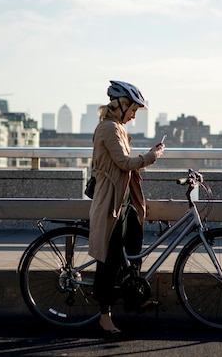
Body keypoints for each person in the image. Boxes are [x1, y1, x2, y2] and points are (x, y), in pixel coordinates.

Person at [88, 80, 165, 335]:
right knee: (109, 261)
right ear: (120, 105)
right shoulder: (109, 128)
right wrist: (151, 157)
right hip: (111, 203)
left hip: (124, 202)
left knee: (133, 250)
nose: (134, 115)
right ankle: (104, 316)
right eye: (133, 109)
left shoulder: (117, 127)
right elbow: (123, 162)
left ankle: (134, 296)